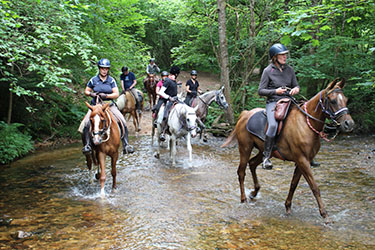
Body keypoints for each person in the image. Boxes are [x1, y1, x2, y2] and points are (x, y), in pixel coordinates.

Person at [79, 58, 134, 155]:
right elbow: (86, 91)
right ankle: (87, 145)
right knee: (87, 122)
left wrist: (106, 96)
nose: (104, 70)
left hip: (109, 105)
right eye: (102, 68)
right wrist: (92, 94)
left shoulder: (111, 80)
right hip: (95, 106)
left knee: (122, 120)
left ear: (108, 69)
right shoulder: (93, 80)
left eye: (106, 69)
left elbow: (116, 94)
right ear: (99, 68)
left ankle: (126, 145)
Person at [258, 43, 300, 170]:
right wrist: (275, 91)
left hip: (290, 101)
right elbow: (261, 91)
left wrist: (296, 89)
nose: (285, 57)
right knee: (272, 125)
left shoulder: (290, 70)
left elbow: (296, 85)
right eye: (282, 55)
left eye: (285, 55)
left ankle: (307, 153)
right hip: (274, 102)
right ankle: (266, 157)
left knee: (302, 120)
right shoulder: (267, 71)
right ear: (275, 57)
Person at [157, 66, 180, 141]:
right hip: (168, 100)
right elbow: (161, 92)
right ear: (176, 74)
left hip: (176, 99)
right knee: (166, 114)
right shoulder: (167, 80)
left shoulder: (174, 80)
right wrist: (169, 97)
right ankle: (163, 132)